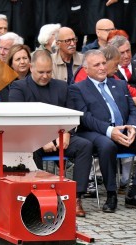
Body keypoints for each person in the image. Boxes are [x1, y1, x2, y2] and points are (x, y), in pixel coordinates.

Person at [69, 49, 136, 213]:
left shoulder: (119, 84)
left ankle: (134, 193)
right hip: (95, 133)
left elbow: (134, 110)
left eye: (103, 63)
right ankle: (111, 194)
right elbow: (85, 118)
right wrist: (110, 130)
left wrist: (134, 127)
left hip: (125, 131)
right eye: (96, 65)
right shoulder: (78, 89)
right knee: (107, 145)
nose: (102, 68)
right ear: (86, 70)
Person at [9, 49, 94, 217]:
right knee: (30, 151)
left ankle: (76, 197)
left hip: (59, 136)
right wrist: (40, 139)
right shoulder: (18, 87)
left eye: (48, 72)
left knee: (85, 146)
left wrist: (67, 133)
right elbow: (17, 120)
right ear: (31, 68)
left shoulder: (62, 87)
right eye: (41, 72)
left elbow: (70, 113)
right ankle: (38, 197)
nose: (45, 76)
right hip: (31, 139)